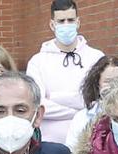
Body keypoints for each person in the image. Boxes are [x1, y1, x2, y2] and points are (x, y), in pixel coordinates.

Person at [26, 0, 104, 143]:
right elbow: (37, 104)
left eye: (71, 20)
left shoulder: (96, 57)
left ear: (78, 22)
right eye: (61, 21)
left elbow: (101, 101)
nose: (66, 25)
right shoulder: (37, 62)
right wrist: (80, 111)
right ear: (52, 24)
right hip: (50, 143)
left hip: (90, 141)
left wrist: (56, 98)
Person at [64, 55, 118, 152]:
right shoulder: (81, 118)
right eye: (108, 81)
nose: (114, 86)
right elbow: (72, 151)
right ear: (97, 84)